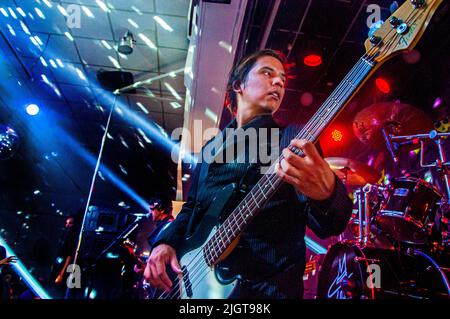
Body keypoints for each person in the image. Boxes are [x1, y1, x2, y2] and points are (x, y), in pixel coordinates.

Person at [144, 49, 353, 298]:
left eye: (283, 80)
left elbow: (330, 224)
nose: (278, 82)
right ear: (238, 85)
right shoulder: (210, 148)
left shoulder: (291, 140)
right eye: (267, 73)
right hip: (194, 283)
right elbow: (192, 209)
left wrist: (328, 193)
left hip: (266, 292)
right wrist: (166, 242)